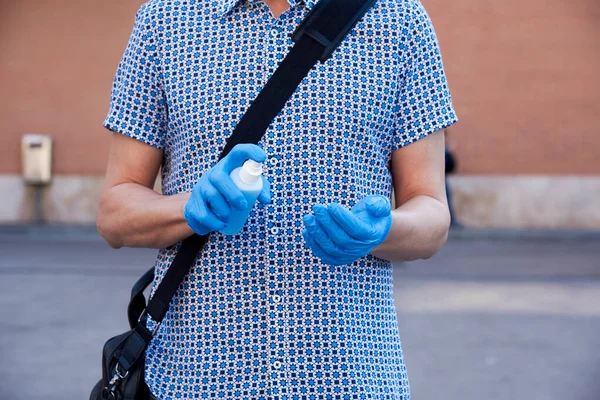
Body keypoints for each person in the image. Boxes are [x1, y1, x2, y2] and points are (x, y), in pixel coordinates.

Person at [97, 0, 458, 398]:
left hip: (349, 377)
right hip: (195, 377)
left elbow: (432, 212)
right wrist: (188, 208)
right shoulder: (165, 20)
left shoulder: (399, 21)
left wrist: (385, 229)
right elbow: (114, 212)